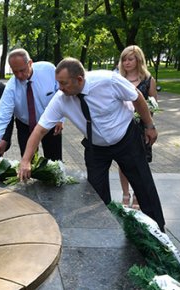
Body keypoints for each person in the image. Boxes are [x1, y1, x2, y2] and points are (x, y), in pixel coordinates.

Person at [17, 57, 165, 231]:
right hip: (96, 148)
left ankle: (158, 232)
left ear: (79, 79)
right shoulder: (60, 99)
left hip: (126, 139)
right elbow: (39, 130)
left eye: (63, 83)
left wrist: (149, 125)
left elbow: (137, 97)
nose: (60, 88)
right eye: (58, 83)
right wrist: (26, 160)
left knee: (143, 185)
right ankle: (105, 231)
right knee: (95, 194)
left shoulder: (108, 80)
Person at [0, 48, 62, 164]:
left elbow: (61, 93)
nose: (19, 75)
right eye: (15, 72)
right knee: (27, 162)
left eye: (22, 70)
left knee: (55, 162)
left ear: (30, 63)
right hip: (25, 125)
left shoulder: (49, 70)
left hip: (51, 123)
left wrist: (60, 118)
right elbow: (2, 117)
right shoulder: (11, 88)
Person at [117, 45, 159, 209]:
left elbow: (153, 105)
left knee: (140, 162)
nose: (126, 63)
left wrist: (149, 126)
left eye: (130, 59)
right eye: (124, 59)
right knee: (123, 162)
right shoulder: (118, 78)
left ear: (138, 60)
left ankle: (137, 194)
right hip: (121, 126)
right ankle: (125, 194)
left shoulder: (148, 80)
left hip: (141, 127)